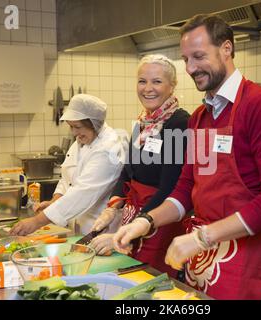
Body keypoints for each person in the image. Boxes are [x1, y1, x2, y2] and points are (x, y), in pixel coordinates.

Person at [113, 14, 261, 300]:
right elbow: (185, 189)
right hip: (202, 257)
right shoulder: (200, 117)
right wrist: (146, 222)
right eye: (185, 59)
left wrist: (203, 237)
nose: (190, 67)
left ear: (226, 48)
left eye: (198, 56)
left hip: (245, 254)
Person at [89, 54, 190, 278]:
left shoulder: (178, 124)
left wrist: (135, 227)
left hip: (159, 222)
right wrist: (112, 208)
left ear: (172, 86)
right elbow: (128, 171)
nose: (148, 88)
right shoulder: (144, 122)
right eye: (142, 81)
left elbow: (169, 188)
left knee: (150, 281)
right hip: (136, 217)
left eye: (157, 81)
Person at [10, 94, 127, 236]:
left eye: (77, 126)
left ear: (94, 123)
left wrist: (37, 222)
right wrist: (54, 201)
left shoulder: (109, 149)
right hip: (79, 224)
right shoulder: (82, 140)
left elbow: (81, 194)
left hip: (101, 228)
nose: (74, 132)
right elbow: (67, 177)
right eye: (71, 126)